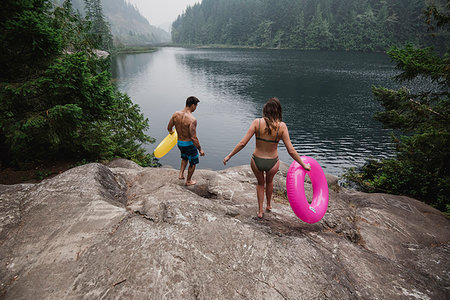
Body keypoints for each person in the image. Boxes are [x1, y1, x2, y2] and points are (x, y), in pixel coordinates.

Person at [223, 97, 311, 218]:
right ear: (278, 111)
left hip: (256, 160)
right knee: (269, 182)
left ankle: (260, 211)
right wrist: (303, 164)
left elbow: (242, 143)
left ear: (265, 110)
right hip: (273, 162)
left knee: (260, 183)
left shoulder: (256, 123)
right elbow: (290, 150)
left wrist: (229, 156)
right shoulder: (282, 127)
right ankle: (268, 205)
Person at [167, 96, 205, 186]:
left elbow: (169, 128)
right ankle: (188, 181)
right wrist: (200, 149)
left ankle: (181, 174)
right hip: (188, 144)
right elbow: (193, 137)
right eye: (196, 106)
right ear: (192, 105)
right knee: (193, 162)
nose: (196, 108)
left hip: (180, 143)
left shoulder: (176, 114)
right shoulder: (192, 120)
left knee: (184, 157)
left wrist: (172, 132)